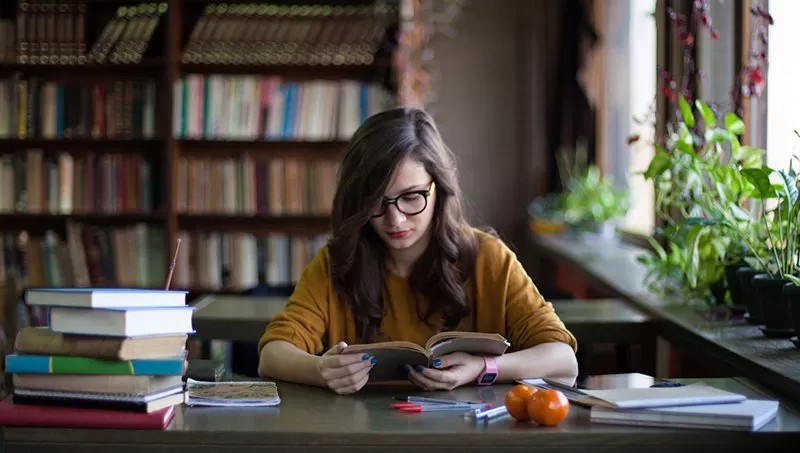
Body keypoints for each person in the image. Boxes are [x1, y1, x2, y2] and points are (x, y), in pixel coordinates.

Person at [258, 107, 578, 394]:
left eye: (412, 196)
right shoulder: (336, 262)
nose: (395, 219)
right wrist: (320, 370)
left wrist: (484, 368)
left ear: (439, 188)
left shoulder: (489, 258)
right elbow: (272, 355)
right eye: (376, 202)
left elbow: (563, 360)